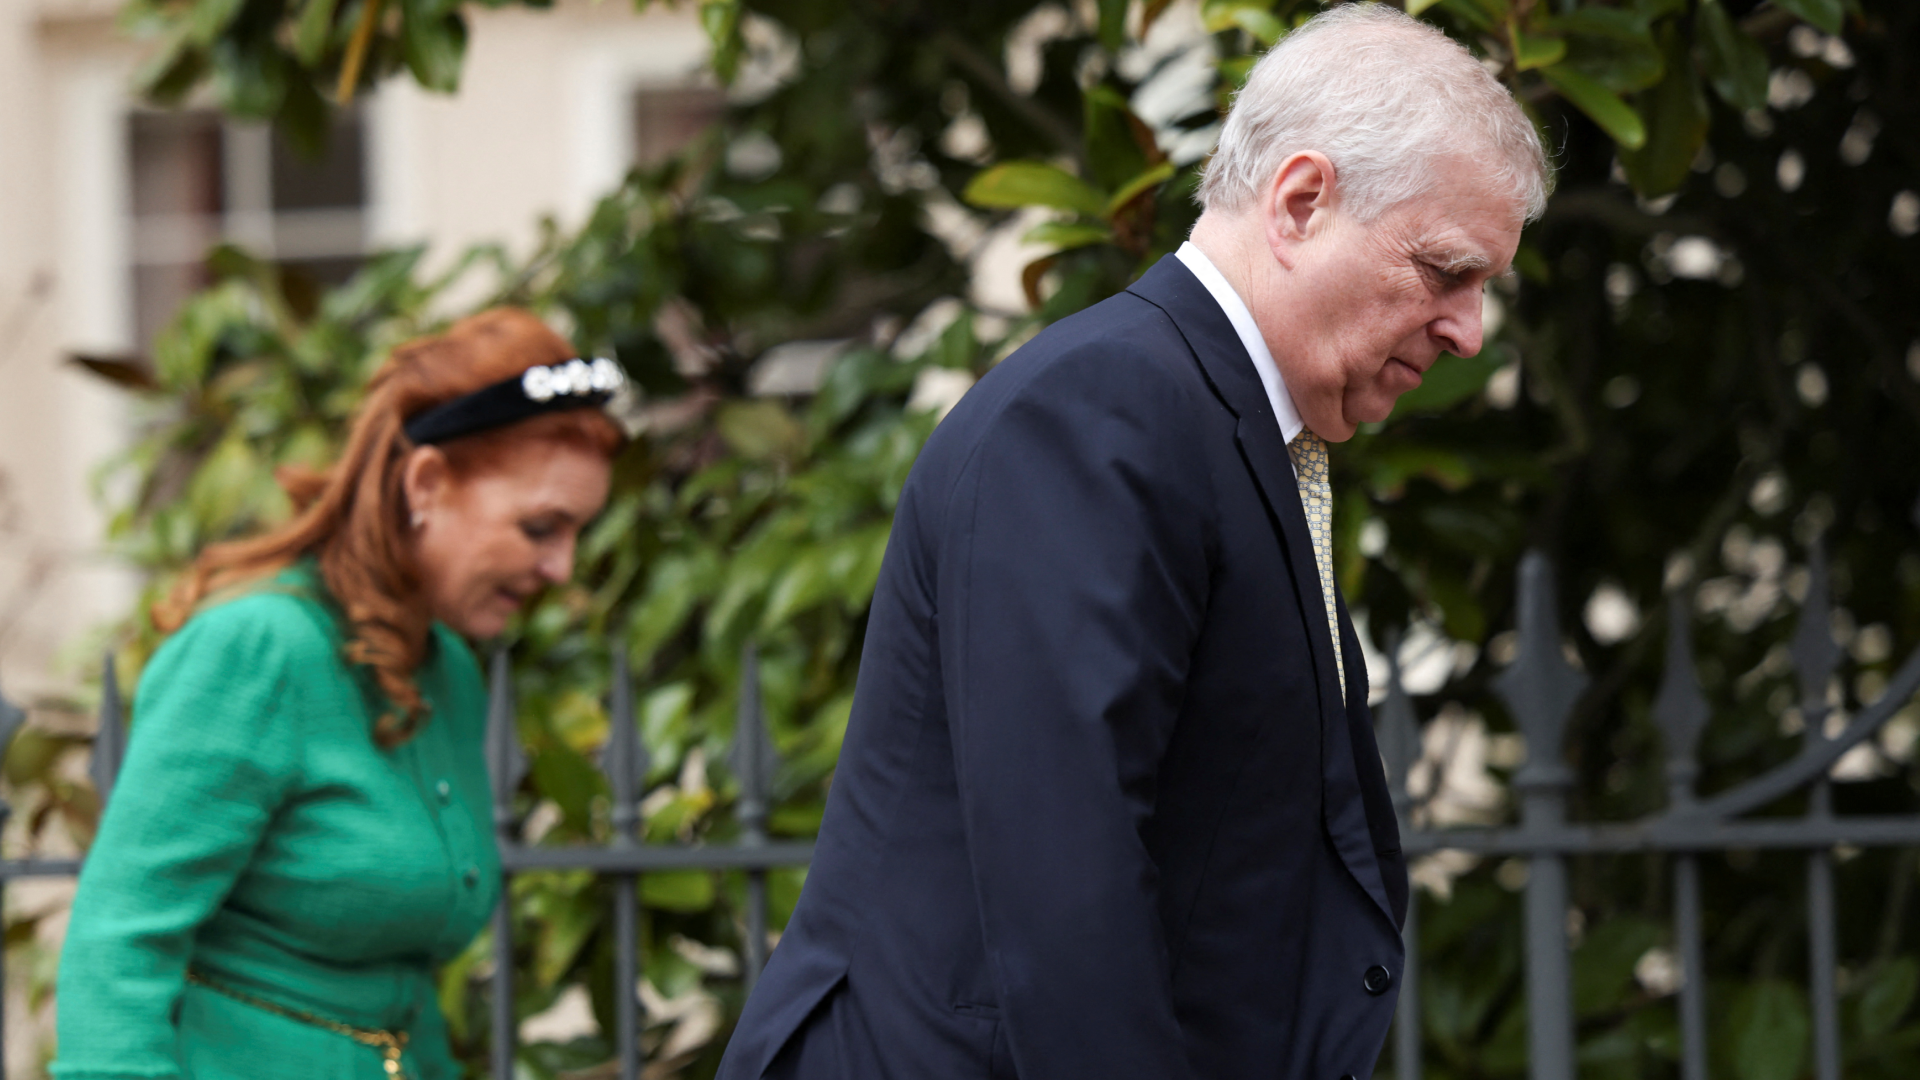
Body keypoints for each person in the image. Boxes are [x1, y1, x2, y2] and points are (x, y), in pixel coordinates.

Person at [716, 6, 1549, 1079]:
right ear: (1301, 202)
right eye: (1445, 272)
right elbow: (1067, 878)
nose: (1468, 330)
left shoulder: (1200, 412)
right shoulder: (1099, 408)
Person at [52, 309, 625, 1080]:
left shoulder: (448, 665)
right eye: (540, 528)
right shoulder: (259, 649)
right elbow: (118, 940)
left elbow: (397, 994)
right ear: (426, 481)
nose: (562, 568)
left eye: (577, 532)